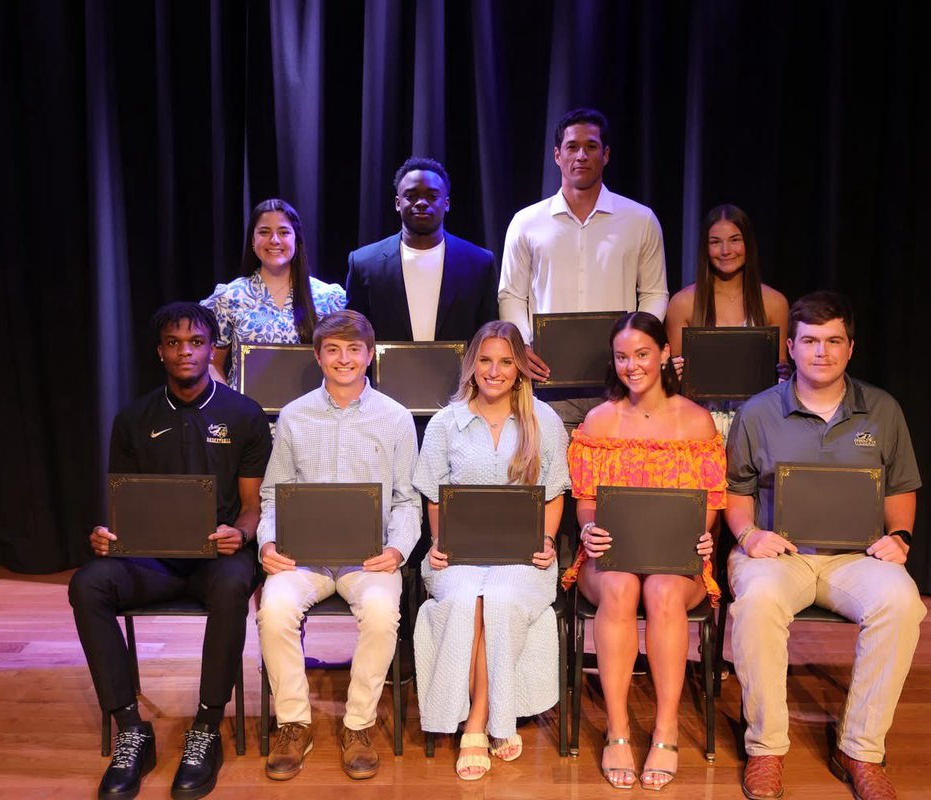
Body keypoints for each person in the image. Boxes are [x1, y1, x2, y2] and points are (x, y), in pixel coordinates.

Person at [725, 291, 925, 800]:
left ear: (850, 349)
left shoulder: (882, 410)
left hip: (854, 557)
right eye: (810, 341)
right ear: (790, 347)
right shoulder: (757, 412)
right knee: (759, 602)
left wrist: (899, 538)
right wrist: (749, 535)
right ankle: (766, 747)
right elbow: (735, 491)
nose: (822, 352)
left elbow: (901, 487)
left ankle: (860, 749)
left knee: (902, 602)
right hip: (777, 552)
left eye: (834, 341)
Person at [69, 302, 271, 800]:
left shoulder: (243, 415)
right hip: (153, 561)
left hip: (220, 559)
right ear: (160, 352)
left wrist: (241, 536)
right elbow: (124, 506)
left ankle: (205, 727)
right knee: (88, 583)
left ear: (211, 349)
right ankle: (131, 729)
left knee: (230, 587)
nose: (186, 352)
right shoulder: (135, 418)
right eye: (175, 343)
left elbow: (252, 506)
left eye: (196, 342)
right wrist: (107, 536)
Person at [255, 310, 421, 782]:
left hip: (368, 557)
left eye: (353, 350)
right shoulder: (294, 415)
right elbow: (273, 493)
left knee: (382, 615)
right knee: (275, 612)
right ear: (318, 356)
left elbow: (408, 499)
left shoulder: (395, 418)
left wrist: (398, 550)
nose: (343, 359)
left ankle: (358, 724)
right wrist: (267, 542)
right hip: (302, 556)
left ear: (369, 356)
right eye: (333, 350)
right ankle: (294, 723)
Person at [564, 311, 725, 791]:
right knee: (618, 586)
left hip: (677, 557)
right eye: (621, 356)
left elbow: (710, 501)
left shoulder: (696, 423)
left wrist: (702, 533)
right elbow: (585, 501)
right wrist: (590, 529)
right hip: (610, 555)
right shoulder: (599, 421)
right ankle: (616, 730)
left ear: (662, 357)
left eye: (641, 354)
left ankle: (665, 728)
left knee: (661, 591)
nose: (631, 365)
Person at [412, 321, 570, 780]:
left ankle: (478, 722)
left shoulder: (545, 420)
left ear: (520, 367)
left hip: (523, 555)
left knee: (497, 598)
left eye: (505, 361)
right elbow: (435, 496)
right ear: (472, 365)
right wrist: (440, 546)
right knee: (465, 599)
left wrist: (545, 541)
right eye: (485, 360)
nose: (494, 371)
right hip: (458, 555)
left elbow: (555, 491)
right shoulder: (446, 422)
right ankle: (495, 721)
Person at [498, 107, 669, 424]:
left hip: (619, 381)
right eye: (572, 147)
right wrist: (523, 345)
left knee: (615, 474)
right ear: (557, 155)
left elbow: (655, 292)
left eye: (591, 146)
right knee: (552, 473)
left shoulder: (639, 219)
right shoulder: (526, 222)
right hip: (548, 382)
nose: (581, 155)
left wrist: (637, 345)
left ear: (605, 154)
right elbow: (510, 293)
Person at [665, 204, 790, 440]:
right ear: (705, 247)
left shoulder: (774, 302)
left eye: (734, 240)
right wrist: (672, 374)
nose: (725, 250)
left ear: (748, 244)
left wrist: (785, 372)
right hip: (699, 426)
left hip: (757, 425)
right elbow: (671, 381)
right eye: (715, 242)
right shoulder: (683, 303)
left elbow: (780, 373)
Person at [346, 156, 499, 343]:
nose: (421, 203)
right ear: (397, 203)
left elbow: (489, 333)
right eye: (410, 196)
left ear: (446, 203)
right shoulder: (364, 263)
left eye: (432, 196)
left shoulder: (480, 263)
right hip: (387, 372)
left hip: (459, 372)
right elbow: (354, 336)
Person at [201, 199, 346, 389]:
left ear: (297, 240)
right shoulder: (229, 297)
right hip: (247, 416)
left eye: (284, 232)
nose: (274, 240)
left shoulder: (328, 298)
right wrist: (232, 405)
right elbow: (211, 362)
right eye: (264, 232)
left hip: (311, 415)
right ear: (253, 241)